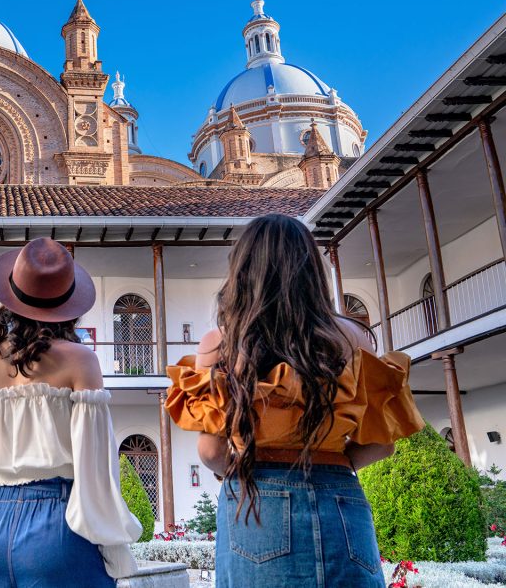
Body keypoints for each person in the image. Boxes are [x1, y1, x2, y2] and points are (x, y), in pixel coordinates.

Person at [166, 213, 425, 588]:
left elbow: (210, 452)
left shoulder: (222, 344)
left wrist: (243, 461)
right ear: (311, 270)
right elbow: (382, 445)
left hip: (255, 502)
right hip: (341, 496)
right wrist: (331, 459)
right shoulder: (353, 339)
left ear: (243, 272)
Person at [0, 237, 143, 588]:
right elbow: (95, 467)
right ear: (68, 305)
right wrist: (115, 552)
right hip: (60, 526)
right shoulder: (81, 361)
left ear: (10, 299)